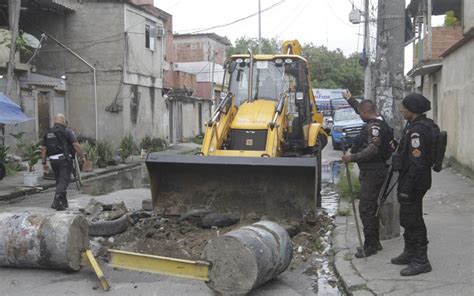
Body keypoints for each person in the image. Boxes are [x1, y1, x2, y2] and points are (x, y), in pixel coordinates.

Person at [341, 90, 391, 258]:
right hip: (373, 171)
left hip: (373, 171)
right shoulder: (378, 119)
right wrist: (350, 99)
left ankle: (370, 246)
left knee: (366, 209)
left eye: (361, 114)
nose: (359, 115)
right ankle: (374, 242)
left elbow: (372, 149)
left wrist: (352, 157)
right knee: (371, 207)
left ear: (365, 113)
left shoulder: (374, 127)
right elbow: (361, 109)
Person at [392, 93, 433, 276]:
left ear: (412, 110)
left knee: (414, 220)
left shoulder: (417, 131)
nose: (402, 110)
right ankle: (409, 253)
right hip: (414, 179)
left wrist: (407, 188)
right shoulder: (417, 125)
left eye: (404, 107)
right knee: (407, 217)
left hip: (414, 181)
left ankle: (421, 261)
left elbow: (417, 163)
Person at [40, 114, 85, 211]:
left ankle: (63, 202)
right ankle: (56, 201)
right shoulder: (67, 131)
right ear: (63, 121)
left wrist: (44, 163)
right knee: (64, 181)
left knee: (59, 181)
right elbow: (76, 146)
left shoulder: (48, 132)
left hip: (53, 161)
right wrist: (83, 157)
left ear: (55, 121)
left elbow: (43, 149)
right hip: (64, 160)